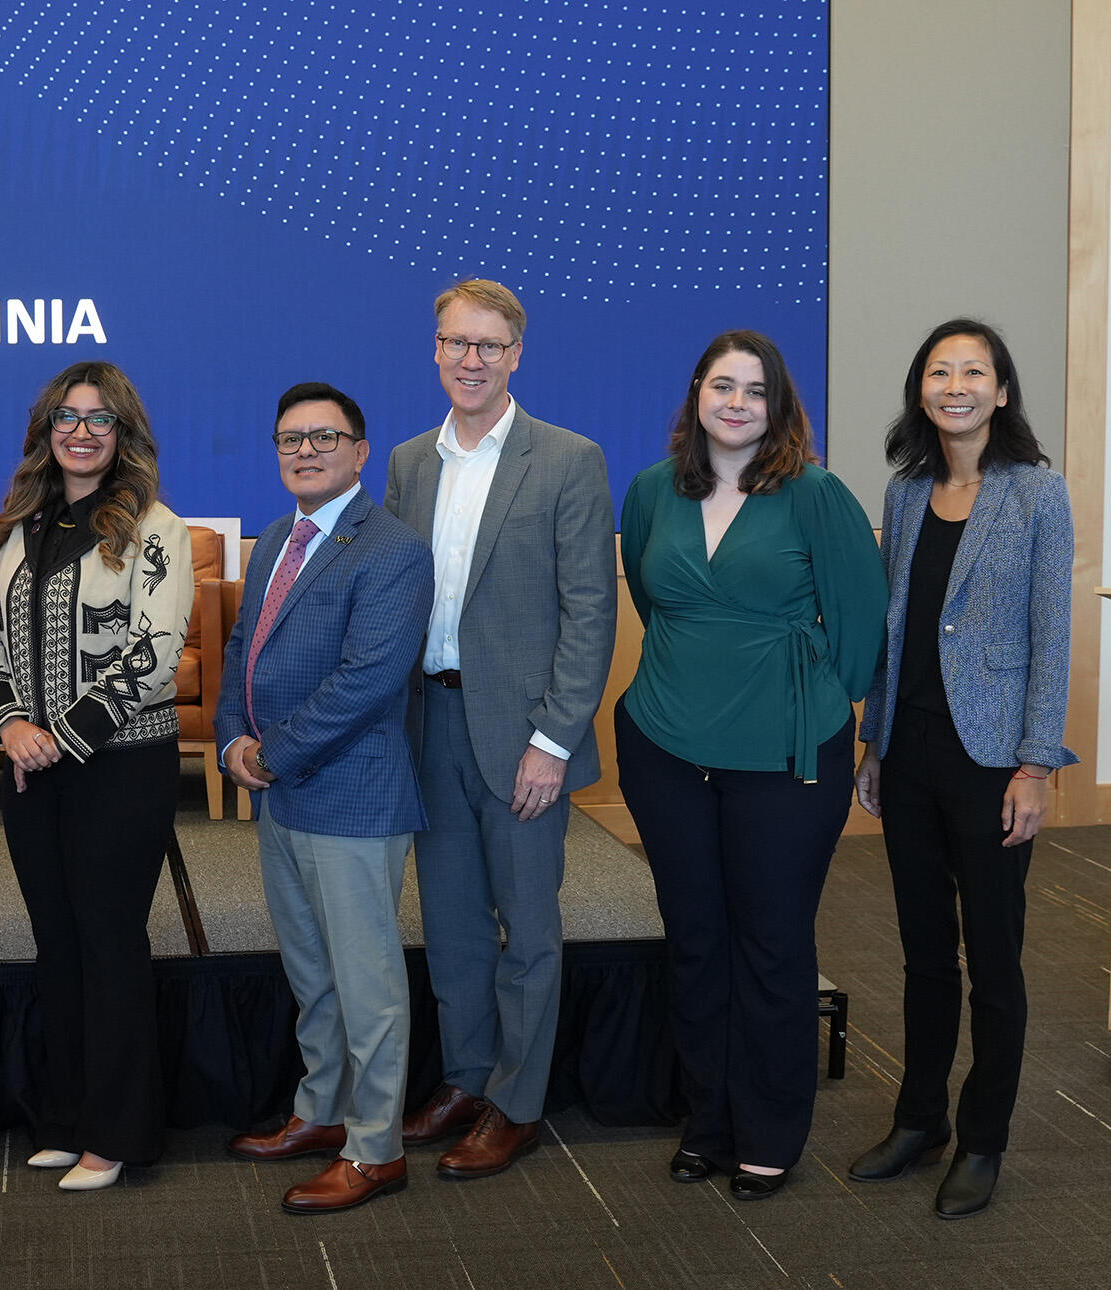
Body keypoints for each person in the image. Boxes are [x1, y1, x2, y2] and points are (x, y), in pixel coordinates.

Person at [616, 329, 886, 1201]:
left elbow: (857, 631)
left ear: (779, 407)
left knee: (772, 947)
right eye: (722, 385)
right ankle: (710, 1123)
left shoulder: (816, 495)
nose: (737, 403)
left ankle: (768, 1133)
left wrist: (795, 699)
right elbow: (656, 602)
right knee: (695, 941)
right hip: (664, 745)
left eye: (756, 391)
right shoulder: (653, 491)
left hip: (786, 758)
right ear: (696, 393)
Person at [382, 279, 618, 1178]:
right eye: (455, 343)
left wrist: (554, 742)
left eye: (489, 345)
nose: (470, 360)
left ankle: (516, 1101)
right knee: (450, 925)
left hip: (523, 738)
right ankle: (467, 1077)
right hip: (430, 722)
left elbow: (588, 612)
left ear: (517, 355)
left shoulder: (567, 459)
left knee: (528, 926)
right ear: (435, 350)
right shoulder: (409, 463)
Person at [848, 320, 1075, 1220]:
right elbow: (890, 630)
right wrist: (873, 742)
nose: (955, 385)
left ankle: (984, 1138)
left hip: (992, 764)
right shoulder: (907, 493)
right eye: (939, 372)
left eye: (974, 371)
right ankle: (920, 1121)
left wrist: (1034, 766)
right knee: (920, 953)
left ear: (1002, 390)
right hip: (909, 752)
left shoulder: (1037, 495)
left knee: (996, 959)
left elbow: (1052, 637)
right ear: (921, 392)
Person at [0, 360, 192, 1192]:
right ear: (45, 432)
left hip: (120, 768)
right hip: (31, 769)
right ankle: (64, 1118)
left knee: (109, 943)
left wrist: (57, 736)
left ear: (122, 434)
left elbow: (156, 654)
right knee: (55, 944)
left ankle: (119, 1131)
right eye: (67, 417)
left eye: (100, 419)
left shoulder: (155, 529)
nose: (83, 431)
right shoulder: (13, 528)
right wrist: (12, 727)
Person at [219, 382, 431, 1213]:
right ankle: (321, 1111)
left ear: (359, 450)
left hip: (352, 796)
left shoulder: (393, 550)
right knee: (313, 973)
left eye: (323, 437)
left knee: (368, 980)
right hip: (283, 796)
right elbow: (243, 648)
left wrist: (269, 753)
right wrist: (233, 735)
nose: (303, 451)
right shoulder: (276, 540)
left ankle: (376, 1149)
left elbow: (368, 682)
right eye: (289, 439)